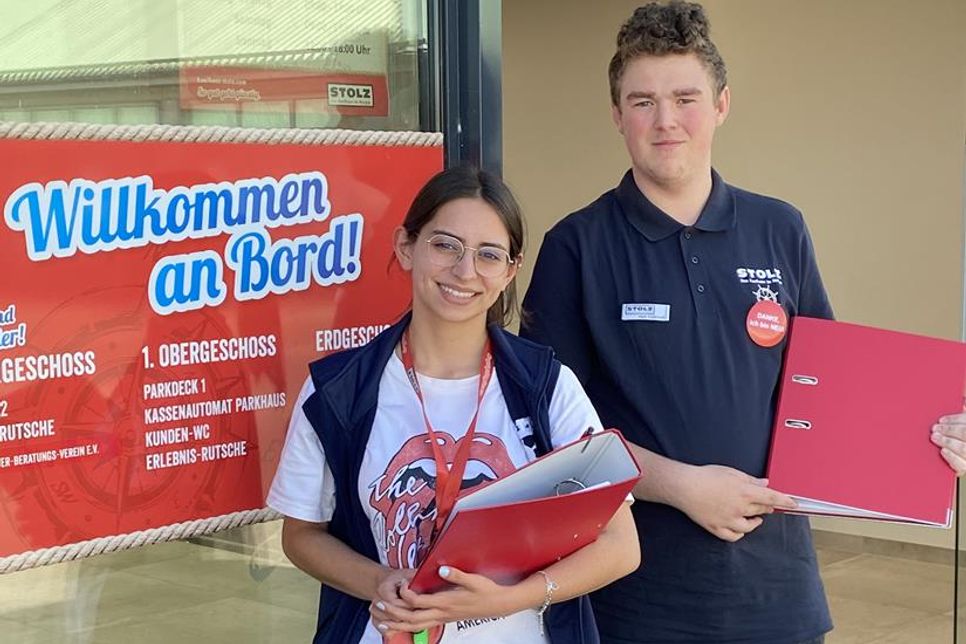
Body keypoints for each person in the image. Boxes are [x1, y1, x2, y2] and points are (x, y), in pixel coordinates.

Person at [520, 2, 966, 643]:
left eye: (686, 98)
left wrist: (930, 440)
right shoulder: (577, 247)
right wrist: (681, 486)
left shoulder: (779, 228)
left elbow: (830, 392)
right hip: (634, 599)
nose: (666, 120)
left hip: (777, 595)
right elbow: (552, 432)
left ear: (722, 104)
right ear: (617, 114)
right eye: (643, 101)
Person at [268, 165, 640, 644]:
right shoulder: (339, 390)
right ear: (407, 247)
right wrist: (378, 581)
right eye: (446, 245)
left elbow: (621, 545)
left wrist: (510, 598)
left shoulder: (548, 387)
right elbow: (301, 534)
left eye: (489, 255)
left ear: (510, 271)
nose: (465, 271)